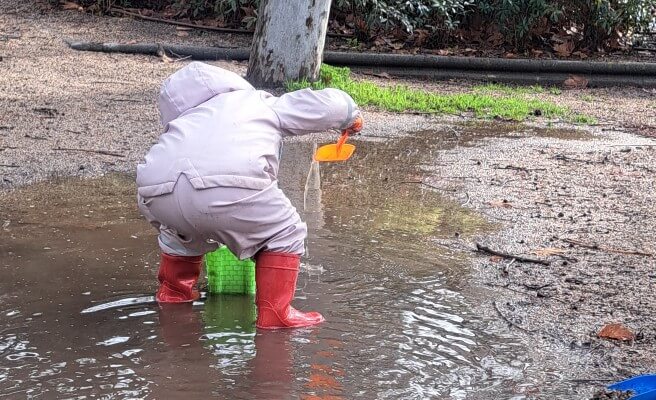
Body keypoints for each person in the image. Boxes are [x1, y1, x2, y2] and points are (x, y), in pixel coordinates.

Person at [136, 62, 362, 329]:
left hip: (154, 188)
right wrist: (350, 115)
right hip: (231, 182)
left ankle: (173, 293)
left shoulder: (184, 119)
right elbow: (328, 105)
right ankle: (276, 315)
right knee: (286, 232)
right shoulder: (255, 102)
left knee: (178, 232)